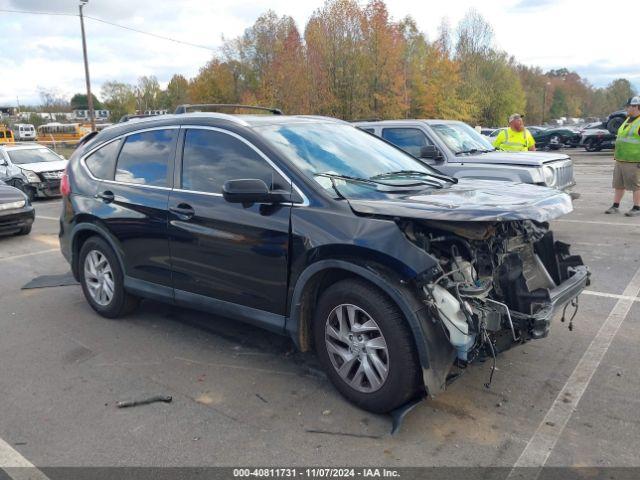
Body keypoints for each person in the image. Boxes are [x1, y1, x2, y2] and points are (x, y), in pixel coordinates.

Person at [605, 96, 640, 217]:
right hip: (621, 159)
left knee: (636, 185)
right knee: (618, 184)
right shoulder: (628, 120)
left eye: (629, 106)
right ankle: (615, 206)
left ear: (636, 106)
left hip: (634, 160)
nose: (627, 108)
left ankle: (637, 207)